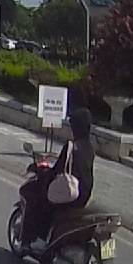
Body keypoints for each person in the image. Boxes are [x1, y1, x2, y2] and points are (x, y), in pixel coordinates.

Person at [21, 107, 96, 251]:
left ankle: (36, 240)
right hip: (84, 194)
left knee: (39, 201)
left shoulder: (71, 146)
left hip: (70, 194)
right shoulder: (90, 148)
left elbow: (57, 170)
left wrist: (42, 172)